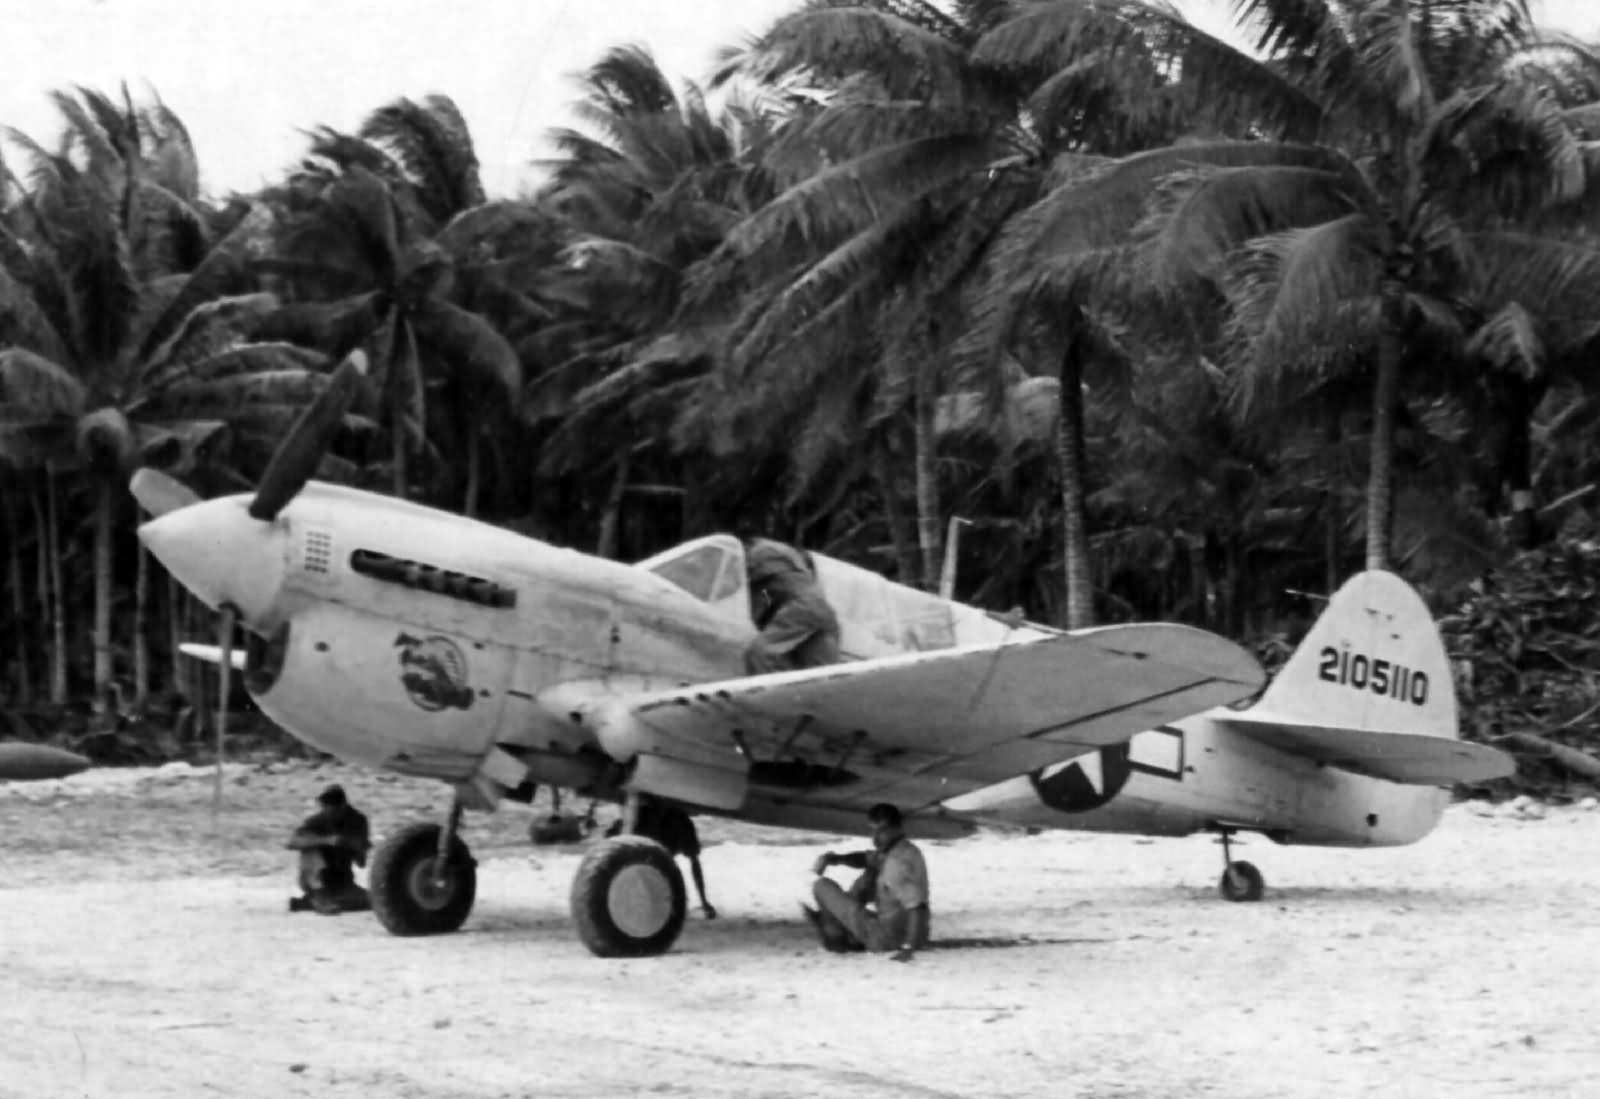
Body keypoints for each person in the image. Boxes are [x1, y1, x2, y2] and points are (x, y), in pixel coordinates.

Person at [801, 802, 931, 960]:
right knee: (871, 872)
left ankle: (834, 931)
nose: (876, 838)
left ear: (897, 829)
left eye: (882, 831)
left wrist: (908, 948)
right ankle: (835, 925)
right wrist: (836, 859)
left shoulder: (896, 865)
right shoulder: (904, 849)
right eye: (873, 831)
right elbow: (867, 858)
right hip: (907, 932)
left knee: (821, 887)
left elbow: (917, 906)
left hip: (885, 938)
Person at [743, 538, 841, 674]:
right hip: (815, 607)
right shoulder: (779, 553)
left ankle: (775, 694)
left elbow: (743, 584)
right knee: (815, 672)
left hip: (806, 605)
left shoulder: (762, 553)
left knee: (760, 653)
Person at [606, 797, 717, 919]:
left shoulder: (679, 820)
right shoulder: (640, 818)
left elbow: (694, 862)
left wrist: (704, 901)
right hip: (647, 860)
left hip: (660, 862)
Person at [287, 784, 372, 915]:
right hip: (317, 882)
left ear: (343, 807)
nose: (326, 810)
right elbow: (292, 843)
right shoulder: (315, 821)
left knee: (376, 901)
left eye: (331, 808)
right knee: (309, 846)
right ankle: (319, 895)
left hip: (343, 882)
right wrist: (327, 840)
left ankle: (308, 903)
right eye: (324, 806)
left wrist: (355, 846)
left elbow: (361, 863)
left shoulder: (358, 820)